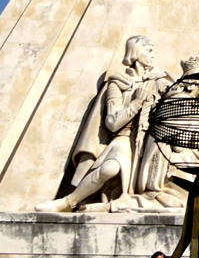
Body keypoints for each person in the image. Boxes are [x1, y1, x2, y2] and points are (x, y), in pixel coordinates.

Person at [37, 35, 174, 212]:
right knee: (109, 168)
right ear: (136, 54)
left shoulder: (158, 80)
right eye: (149, 51)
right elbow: (113, 123)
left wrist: (177, 79)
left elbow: (179, 95)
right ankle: (67, 202)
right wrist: (136, 103)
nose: (153, 55)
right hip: (123, 138)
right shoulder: (118, 83)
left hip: (149, 140)